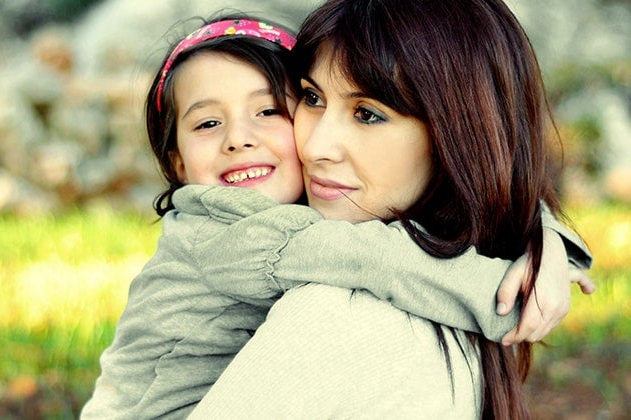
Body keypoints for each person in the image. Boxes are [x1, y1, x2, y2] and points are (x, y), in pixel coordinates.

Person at [81, 12, 592, 419]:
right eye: (312, 99)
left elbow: (487, 177)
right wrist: (500, 288)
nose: (239, 139)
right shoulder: (230, 232)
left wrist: (541, 239)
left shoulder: (300, 213)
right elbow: (375, 260)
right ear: (176, 162)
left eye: (270, 111)